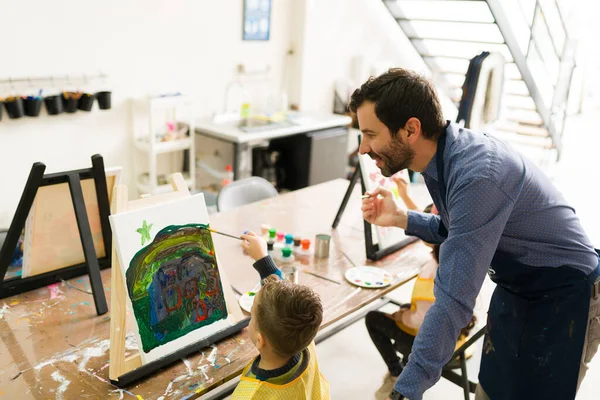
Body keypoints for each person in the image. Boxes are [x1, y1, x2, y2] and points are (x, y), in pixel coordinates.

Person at [351, 68, 600, 400]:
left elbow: (453, 300)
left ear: (411, 129)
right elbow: (456, 229)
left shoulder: (478, 175)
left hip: (566, 295)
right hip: (517, 290)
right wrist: (401, 218)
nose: (362, 149)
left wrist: (406, 391)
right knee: (491, 392)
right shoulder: (440, 159)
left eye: (370, 134)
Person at [366, 190, 476, 398]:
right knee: (405, 308)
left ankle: (397, 372)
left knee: (374, 318)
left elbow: (423, 321)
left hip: (433, 346)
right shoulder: (460, 260)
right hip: (457, 337)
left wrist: (401, 317)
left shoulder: (434, 270)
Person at [231, 231, 330, 399]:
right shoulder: (303, 335)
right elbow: (284, 300)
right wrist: (263, 259)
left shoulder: (249, 395)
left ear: (260, 340)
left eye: (252, 316)